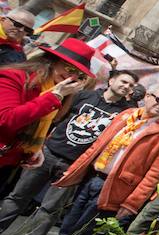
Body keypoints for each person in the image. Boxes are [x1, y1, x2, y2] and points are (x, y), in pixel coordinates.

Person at [35, 86, 159, 235]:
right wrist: (75, 170)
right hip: (92, 178)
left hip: (114, 190)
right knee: (67, 230)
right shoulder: (127, 115)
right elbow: (98, 145)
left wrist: (131, 204)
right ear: (147, 96)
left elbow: (153, 175)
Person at [0, 69, 137, 235]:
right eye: (124, 81)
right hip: (49, 153)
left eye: (131, 85)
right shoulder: (84, 96)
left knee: (50, 209)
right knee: (18, 197)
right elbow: (58, 117)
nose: (127, 87)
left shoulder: (125, 114)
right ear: (111, 80)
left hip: (74, 166)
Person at [0, 38, 93, 193]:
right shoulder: (15, 77)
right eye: (70, 69)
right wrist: (54, 97)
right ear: (52, 61)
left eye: (80, 75)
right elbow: (6, 119)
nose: (74, 78)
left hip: (8, 161)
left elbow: (36, 125)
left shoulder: (56, 89)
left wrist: (35, 149)